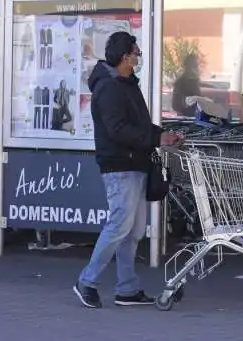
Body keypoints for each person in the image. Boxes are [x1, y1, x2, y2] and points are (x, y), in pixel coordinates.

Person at [73, 32, 182, 309]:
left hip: (135, 162)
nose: (139, 56)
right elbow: (117, 129)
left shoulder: (127, 84)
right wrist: (155, 139)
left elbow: (139, 124)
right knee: (119, 226)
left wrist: (162, 135)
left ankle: (127, 288)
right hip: (120, 165)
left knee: (133, 231)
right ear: (125, 56)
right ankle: (87, 281)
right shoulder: (110, 87)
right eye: (136, 52)